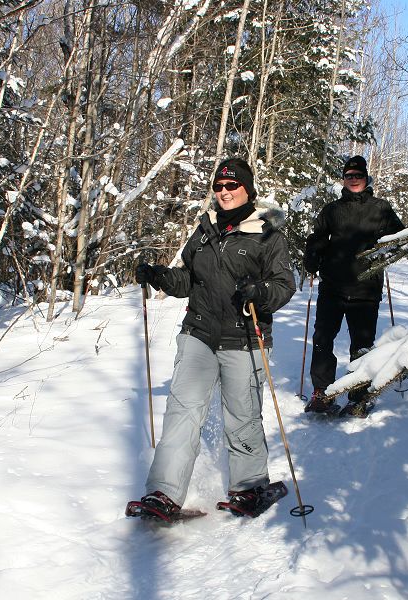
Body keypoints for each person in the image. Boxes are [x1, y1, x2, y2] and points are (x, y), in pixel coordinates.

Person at [132, 157, 296, 520]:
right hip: (200, 333)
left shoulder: (267, 233)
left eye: (231, 186)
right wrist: (159, 275)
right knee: (182, 413)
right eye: (218, 187)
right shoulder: (205, 230)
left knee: (243, 416)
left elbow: (285, 285)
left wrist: (260, 291)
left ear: (247, 189)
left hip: (244, 337)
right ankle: (162, 493)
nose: (223, 193)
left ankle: (250, 487)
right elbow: (189, 279)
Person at [302, 155, 404, 417]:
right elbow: (316, 237)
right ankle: (320, 393)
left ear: (366, 178)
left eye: (358, 176)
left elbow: (400, 236)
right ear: (343, 179)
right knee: (322, 338)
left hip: (365, 288)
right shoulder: (331, 210)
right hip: (332, 287)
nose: (354, 180)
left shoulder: (380, 207)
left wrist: (386, 248)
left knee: (361, 344)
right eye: (349, 176)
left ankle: (358, 396)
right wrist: (313, 253)